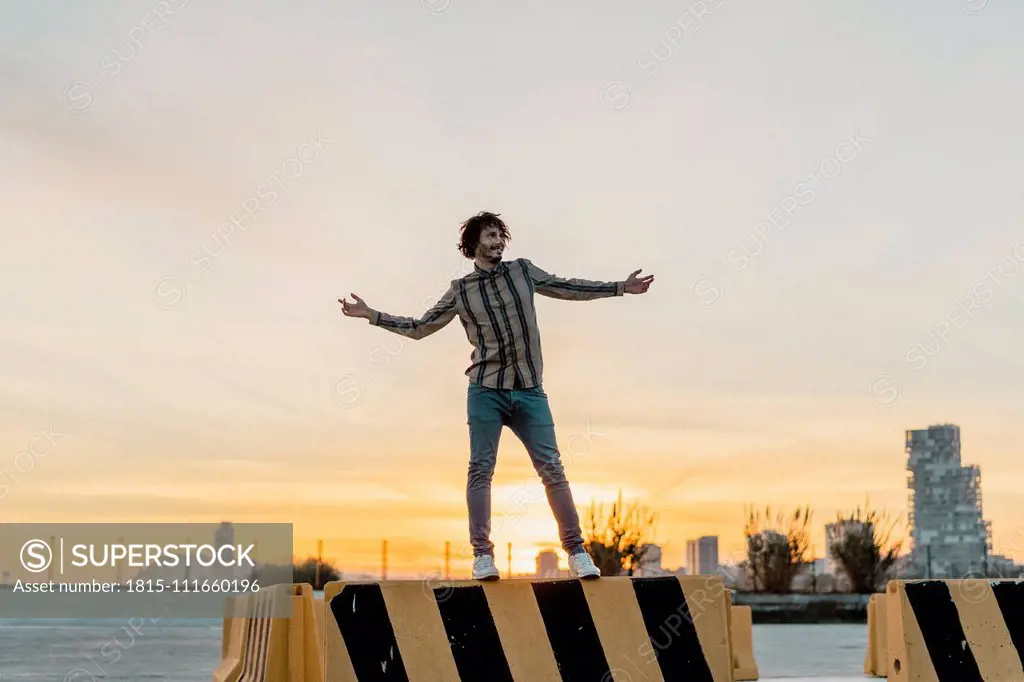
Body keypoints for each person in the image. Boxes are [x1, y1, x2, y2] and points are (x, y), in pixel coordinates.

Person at [338, 211, 654, 580]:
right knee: (480, 470)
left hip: (530, 392)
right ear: (473, 244)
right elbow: (421, 327)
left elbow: (568, 287)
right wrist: (371, 315)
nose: (498, 241)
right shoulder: (461, 291)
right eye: (491, 235)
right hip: (485, 390)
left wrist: (619, 287)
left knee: (552, 469)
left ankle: (576, 552)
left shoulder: (523, 270)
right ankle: (483, 556)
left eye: (501, 235)